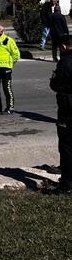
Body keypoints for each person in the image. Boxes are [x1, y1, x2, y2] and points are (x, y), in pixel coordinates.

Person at [50, 34, 72, 194]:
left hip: (68, 109)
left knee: (66, 147)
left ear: (64, 47)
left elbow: (56, 84)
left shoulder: (65, 62)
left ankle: (66, 185)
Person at [0, 24, 20, 115]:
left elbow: (16, 55)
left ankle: (10, 108)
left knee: (7, 89)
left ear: (1, 31)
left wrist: (10, 64)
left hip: (5, 69)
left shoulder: (8, 40)